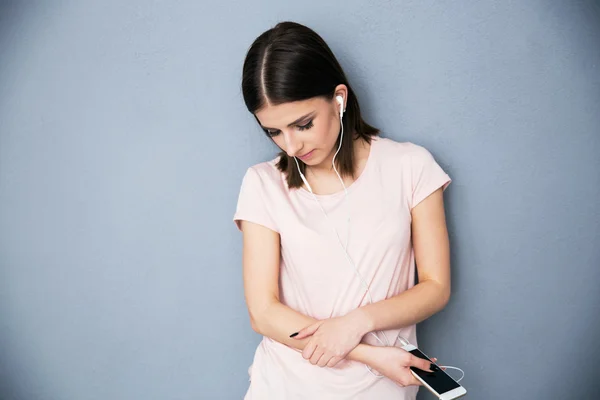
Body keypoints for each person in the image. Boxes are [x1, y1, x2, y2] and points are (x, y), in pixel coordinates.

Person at [233, 21, 452, 399]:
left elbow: (435, 287)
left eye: (303, 124)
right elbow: (264, 312)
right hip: (286, 384)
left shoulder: (410, 166)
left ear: (339, 98)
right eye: (273, 132)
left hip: (381, 387)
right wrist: (362, 350)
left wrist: (358, 321)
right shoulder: (263, 184)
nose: (291, 146)